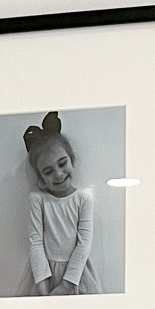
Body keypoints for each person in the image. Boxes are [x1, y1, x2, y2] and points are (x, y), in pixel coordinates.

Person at [20, 111, 101, 296]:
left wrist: (67, 284)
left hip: (77, 276)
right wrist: (42, 286)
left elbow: (84, 244)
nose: (58, 174)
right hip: (43, 276)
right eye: (48, 171)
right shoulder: (38, 199)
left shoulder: (84, 199)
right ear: (40, 179)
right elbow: (36, 243)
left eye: (62, 163)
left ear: (72, 160)